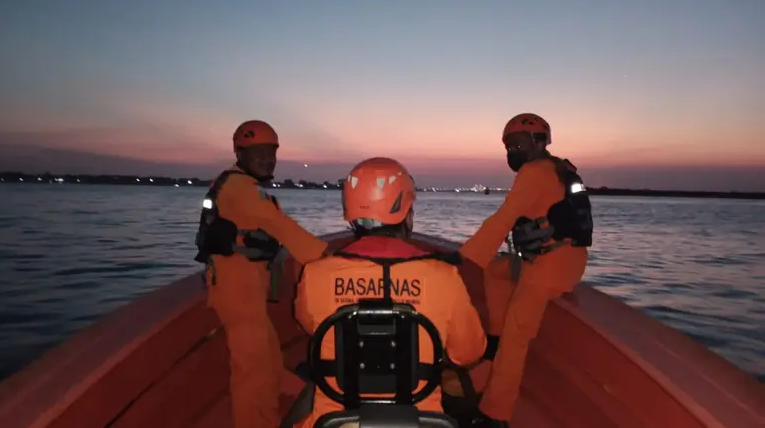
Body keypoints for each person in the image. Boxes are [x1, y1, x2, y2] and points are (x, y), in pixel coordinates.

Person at [294, 157, 487, 428]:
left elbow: (311, 326)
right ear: (407, 213)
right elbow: (468, 353)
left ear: (350, 214)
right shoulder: (443, 277)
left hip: (336, 422)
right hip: (422, 422)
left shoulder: (315, 274)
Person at [194, 120, 332, 428]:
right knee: (253, 374)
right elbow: (283, 229)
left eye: (271, 151)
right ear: (239, 153)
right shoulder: (241, 187)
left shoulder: (242, 185)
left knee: (268, 362)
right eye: (259, 152)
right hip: (238, 295)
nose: (268, 158)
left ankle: (308, 401)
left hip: (247, 293)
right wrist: (327, 257)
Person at [458, 113, 593, 427]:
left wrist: (463, 259)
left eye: (518, 144)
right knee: (496, 271)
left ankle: (494, 414)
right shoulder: (557, 168)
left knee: (516, 337)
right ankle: (494, 340)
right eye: (508, 146)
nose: (511, 152)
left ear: (539, 142)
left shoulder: (534, 173)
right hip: (560, 258)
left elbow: (503, 219)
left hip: (551, 265)